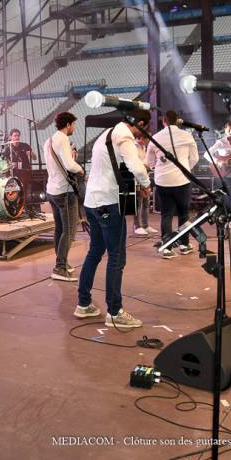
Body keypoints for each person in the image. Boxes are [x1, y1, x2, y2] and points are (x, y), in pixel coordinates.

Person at [75, 108, 151, 328]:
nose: (142, 134)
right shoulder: (124, 135)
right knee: (116, 257)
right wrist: (146, 185)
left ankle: (84, 303)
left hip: (92, 203)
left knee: (95, 251)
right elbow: (135, 165)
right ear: (139, 123)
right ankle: (115, 312)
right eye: (143, 128)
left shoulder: (107, 133)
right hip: (107, 203)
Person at [145, 110, 199, 259]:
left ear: (164, 122)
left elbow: (149, 163)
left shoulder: (155, 138)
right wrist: (184, 168)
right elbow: (194, 158)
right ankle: (184, 244)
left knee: (166, 215)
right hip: (182, 180)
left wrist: (161, 166)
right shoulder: (187, 136)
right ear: (178, 121)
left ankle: (167, 248)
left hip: (163, 182)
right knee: (184, 214)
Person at [44, 113, 84, 282]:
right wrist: (80, 169)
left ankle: (62, 262)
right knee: (69, 231)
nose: (74, 128)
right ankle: (60, 267)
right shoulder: (63, 140)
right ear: (68, 124)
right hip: (64, 191)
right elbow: (69, 165)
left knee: (60, 229)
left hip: (52, 190)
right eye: (74, 124)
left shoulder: (49, 140)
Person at [133, 133, 157, 236]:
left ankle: (146, 225)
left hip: (145, 177)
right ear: (142, 137)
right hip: (136, 178)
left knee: (146, 202)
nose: (149, 141)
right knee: (138, 203)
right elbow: (135, 164)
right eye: (148, 139)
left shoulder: (144, 147)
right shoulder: (133, 147)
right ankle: (137, 226)